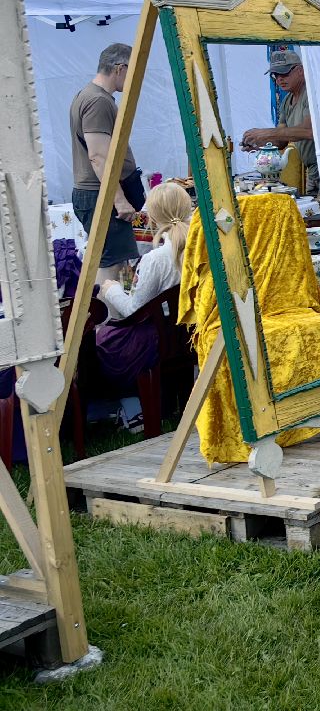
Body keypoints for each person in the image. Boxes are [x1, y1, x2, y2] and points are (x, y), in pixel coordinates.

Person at [93, 182, 194, 432]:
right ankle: (164, 404)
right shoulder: (200, 247)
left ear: (153, 216)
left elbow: (133, 310)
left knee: (104, 341)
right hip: (190, 332)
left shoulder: (156, 258)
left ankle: (131, 409)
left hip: (162, 338)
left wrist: (110, 289)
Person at [70, 42, 144, 285]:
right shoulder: (97, 101)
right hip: (100, 195)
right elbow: (98, 156)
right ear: (119, 68)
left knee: (120, 259)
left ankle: (122, 314)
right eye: (132, 71)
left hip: (100, 193)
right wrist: (119, 200)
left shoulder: (90, 96)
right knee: (111, 264)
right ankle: (111, 320)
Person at [241, 50, 319, 200]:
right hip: (312, 172)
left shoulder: (311, 93)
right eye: (275, 75)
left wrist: (266, 133)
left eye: (284, 74)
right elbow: (281, 140)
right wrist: (260, 145)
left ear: (300, 70)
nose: (279, 79)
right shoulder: (286, 101)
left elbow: (309, 131)